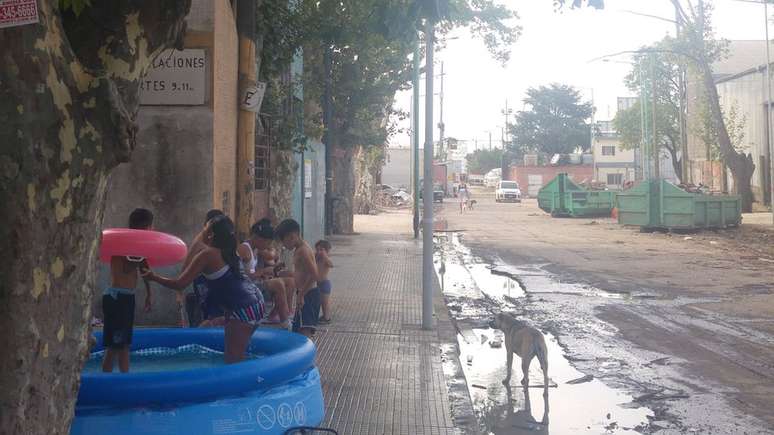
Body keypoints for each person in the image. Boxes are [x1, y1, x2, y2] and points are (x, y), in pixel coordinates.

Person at [143, 215, 264, 363]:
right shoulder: (231, 252)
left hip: (243, 309)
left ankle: (246, 384)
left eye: (204, 230)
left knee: (233, 361)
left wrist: (153, 277)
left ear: (210, 234)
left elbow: (180, 284)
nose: (201, 233)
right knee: (238, 354)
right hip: (256, 303)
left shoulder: (207, 255)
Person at [101, 208, 154, 373]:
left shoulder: (138, 248)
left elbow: (145, 272)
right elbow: (126, 268)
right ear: (145, 227)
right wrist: (140, 252)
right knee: (118, 346)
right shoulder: (123, 243)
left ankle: (115, 379)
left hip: (126, 298)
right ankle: (119, 382)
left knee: (122, 344)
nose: (152, 230)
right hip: (117, 298)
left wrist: (149, 294)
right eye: (150, 227)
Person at [237, 219, 292, 325]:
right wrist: (262, 272)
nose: (267, 246)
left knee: (290, 282)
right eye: (267, 242)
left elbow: (252, 269)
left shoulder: (256, 248)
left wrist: (267, 272)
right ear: (257, 238)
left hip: (254, 282)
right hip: (246, 287)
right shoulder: (244, 249)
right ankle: (285, 322)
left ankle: (277, 315)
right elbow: (239, 275)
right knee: (278, 283)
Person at [275, 219, 319, 337]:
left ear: (292, 236)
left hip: (309, 295)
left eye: (283, 242)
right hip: (306, 293)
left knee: (304, 334)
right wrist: (288, 273)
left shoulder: (303, 251)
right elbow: (302, 272)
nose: (283, 245)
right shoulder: (299, 249)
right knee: (297, 332)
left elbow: (314, 274)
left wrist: (301, 295)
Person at [184, 209, 226, 327]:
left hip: (217, 283)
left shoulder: (220, 239)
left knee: (218, 317)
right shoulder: (199, 243)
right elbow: (185, 269)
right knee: (211, 317)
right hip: (204, 282)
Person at [315, 240, 334, 324]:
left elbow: (331, 265)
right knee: (319, 301)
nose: (319, 252)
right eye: (317, 249)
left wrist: (325, 256)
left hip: (324, 284)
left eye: (321, 250)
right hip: (317, 284)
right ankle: (323, 316)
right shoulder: (316, 258)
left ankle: (327, 318)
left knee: (325, 303)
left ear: (327, 251)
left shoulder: (326, 260)